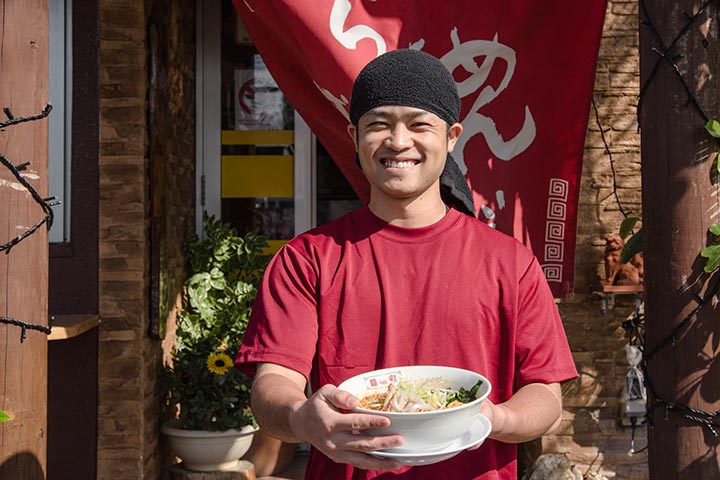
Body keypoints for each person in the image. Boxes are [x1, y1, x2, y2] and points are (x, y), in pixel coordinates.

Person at [235, 48, 578, 480]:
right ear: (354, 135)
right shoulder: (307, 259)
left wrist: (490, 418)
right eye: (378, 124)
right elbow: (272, 386)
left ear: (451, 137)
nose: (398, 142)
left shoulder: (509, 263)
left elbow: (546, 395)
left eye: (419, 125)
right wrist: (302, 417)